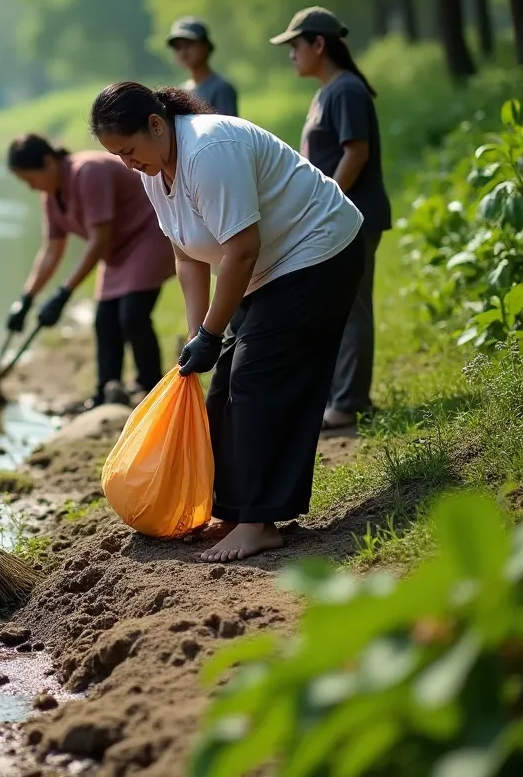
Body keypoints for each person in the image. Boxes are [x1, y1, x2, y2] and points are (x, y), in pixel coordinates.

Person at [90, 82, 364, 562]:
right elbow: (188, 256)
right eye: (117, 155)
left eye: (129, 150)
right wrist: (201, 338)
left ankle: (260, 522)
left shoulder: (210, 149)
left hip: (318, 250)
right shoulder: (154, 171)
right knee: (219, 391)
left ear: (156, 124)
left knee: (257, 379)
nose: (127, 163)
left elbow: (241, 250)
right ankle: (236, 510)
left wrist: (214, 333)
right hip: (267, 268)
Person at [270, 7, 392, 432]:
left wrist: (329, 202)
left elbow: (355, 152)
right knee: (337, 307)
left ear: (318, 44)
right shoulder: (327, 91)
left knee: (353, 308)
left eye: (295, 46)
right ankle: (342, 395)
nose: (291, 56)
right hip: (338, 219)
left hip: (353, 217)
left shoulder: (346, 91)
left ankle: (350, 403)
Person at [5, 134, 175, 412]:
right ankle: (105, 392)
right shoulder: (51, 196)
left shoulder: (88, 172)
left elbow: (100, 240)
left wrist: (64, 293)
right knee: (105, 319)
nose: (32, 188)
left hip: (149, 234)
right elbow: (51, 250)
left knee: (132, 315)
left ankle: (151, 388)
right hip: (117, 249)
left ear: (48, 162)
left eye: (30, 179)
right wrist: (26, 299)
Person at [166, 16, 239, 116]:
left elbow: (228, 128)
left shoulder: (221, 88)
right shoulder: (181, 92)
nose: (183, 52)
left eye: (189, 44)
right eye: (178, 47)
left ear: (206, 46)